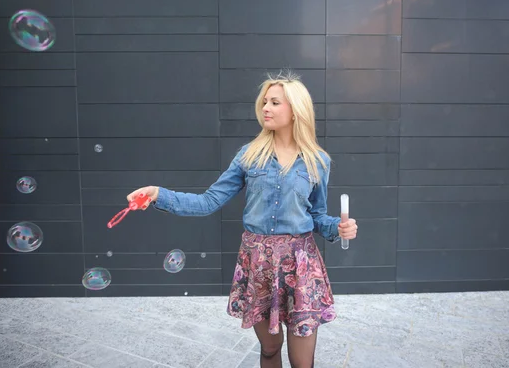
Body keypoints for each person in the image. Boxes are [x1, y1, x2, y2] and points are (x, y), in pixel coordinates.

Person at [126, 70, 358, 368]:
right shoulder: (249, 156)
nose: (265, 108)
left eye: (275, 102)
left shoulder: (317, 161)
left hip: (301, 266)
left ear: (295, 110)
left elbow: (317, 215)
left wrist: (338, 228)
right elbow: (208, 202)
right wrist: (160, 194)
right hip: (258, 264)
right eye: (264, 102)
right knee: (271, 349)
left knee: (303, 363)